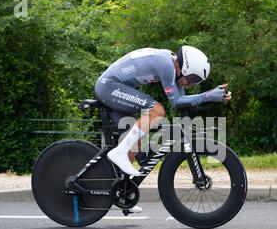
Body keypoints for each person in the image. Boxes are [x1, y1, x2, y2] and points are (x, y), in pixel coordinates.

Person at [94, 46, 231, 212]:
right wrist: (208, 95)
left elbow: (183, 103)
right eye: (193, 79)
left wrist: (213, 98)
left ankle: (123, 194)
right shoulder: (166, 64)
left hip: (115, 87)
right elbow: (176, 102)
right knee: (156, 110)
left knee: (135, 141)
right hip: (109, 86)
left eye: (196, 81)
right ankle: (118, 152)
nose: (191, 83)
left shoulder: (172, 65)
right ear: (185, 68)